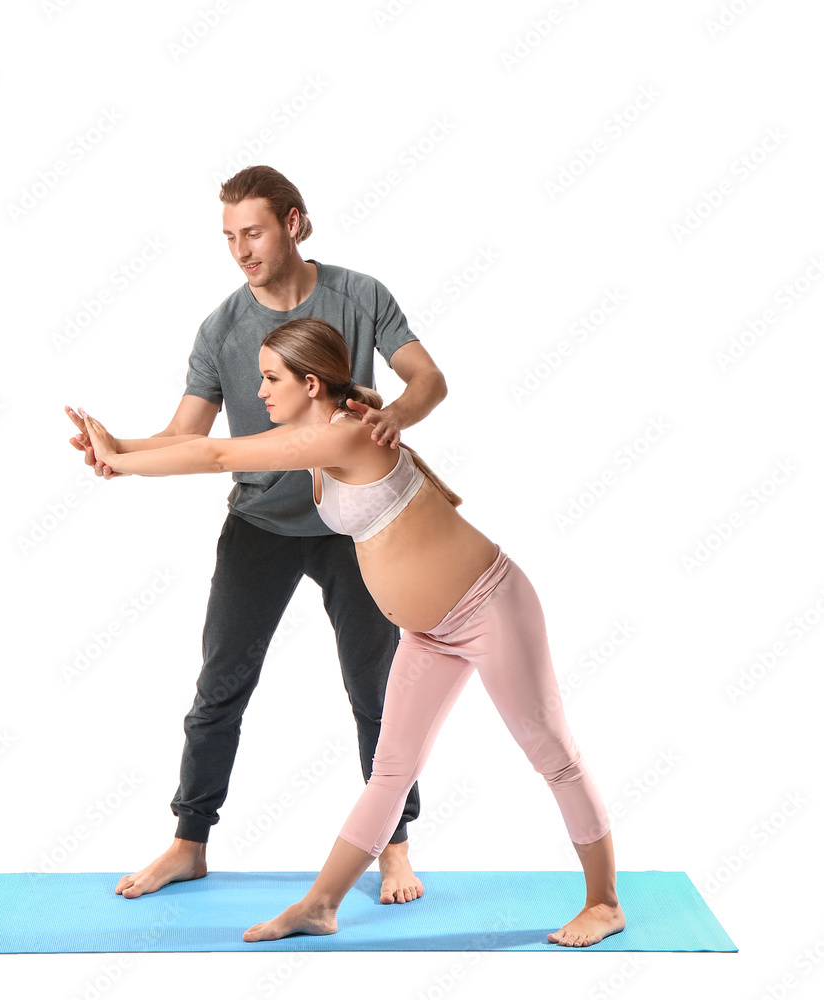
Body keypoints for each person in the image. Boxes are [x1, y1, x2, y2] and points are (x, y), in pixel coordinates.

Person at [75, 317, 626, 948]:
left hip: (490, 607)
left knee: (552, 754)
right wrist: (117, 445)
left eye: (270, 378)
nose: (259, 392)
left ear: (311, 384)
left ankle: (605, 903)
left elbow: (218, 452)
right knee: (391, 771)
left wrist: (121, 462)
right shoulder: (327, 432)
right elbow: (201, 444)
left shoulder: (347, 437)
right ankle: (320, 905)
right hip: (431, 633)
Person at [66, 165, 448, 905]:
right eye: (229, 237)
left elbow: (429, 379)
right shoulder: (222, 328)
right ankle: (189, 844)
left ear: (294, 223)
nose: (241, 249)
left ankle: (393, 848)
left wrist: (395, 417)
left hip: (356, 523)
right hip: (261, 525)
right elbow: (190, 437)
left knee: (377, 691)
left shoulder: (360, 295)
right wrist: (119, 450)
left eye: (254, 232)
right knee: (220, 688)